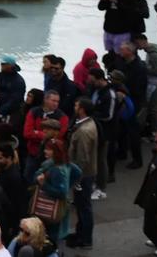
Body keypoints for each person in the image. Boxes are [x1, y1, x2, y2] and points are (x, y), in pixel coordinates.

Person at [65, 98, 98, 250]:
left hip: (83, 175)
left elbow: (82, 158)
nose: (74, 106)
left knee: (83, 206)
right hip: (85, 173)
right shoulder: (86, 124)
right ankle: (81, 234)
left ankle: (85, 239)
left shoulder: (84, 130)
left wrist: (76, 177)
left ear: (82, 109)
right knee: (81, 205)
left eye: (77, 105)